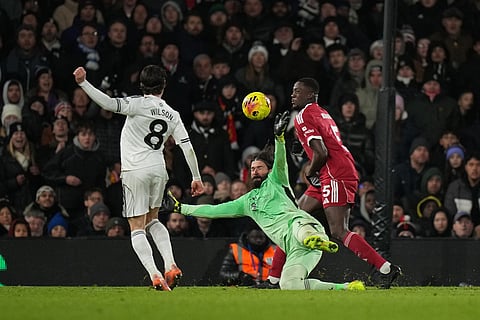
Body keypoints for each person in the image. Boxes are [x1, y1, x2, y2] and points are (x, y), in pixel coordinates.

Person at [164, 111, 365, 291]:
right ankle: (346, 287)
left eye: (259, 168)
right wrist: (181, 207)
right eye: (252, 169)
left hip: (304, 227)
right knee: (289, 284)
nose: (255, 172)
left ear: (268, 171)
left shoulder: (277, 180)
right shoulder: (246, 202)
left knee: (297, 226)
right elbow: (213, 211)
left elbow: (280, 160)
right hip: (295, 248)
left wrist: (279, 137)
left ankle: (313, 238)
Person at [73, 64, 204, 291]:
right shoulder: (172, 114)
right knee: (153, 219)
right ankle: (170, 264)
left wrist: (84, 83)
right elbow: (186, 146)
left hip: (135, 170)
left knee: (136, 227)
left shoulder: (135, 103)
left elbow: (107, 103)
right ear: (164, 86)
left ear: (141, 85)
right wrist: (196, 177)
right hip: (158, 169)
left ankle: (155, 274)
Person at [288, 77, 401, 289]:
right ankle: (275, 278)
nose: (292, 95)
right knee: (294, 217)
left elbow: (321, 152)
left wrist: (308, 170)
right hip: (333, 170)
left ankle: (386, 269)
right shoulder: (322, 112)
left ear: (310, 95)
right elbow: (324, 142)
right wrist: (303, 148)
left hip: (333, 173)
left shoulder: (303, 116)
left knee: (339, 230)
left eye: (297, 91)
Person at [219, 222, 276, 286]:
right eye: (255, 237)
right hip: (244, 286)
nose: (258, 240)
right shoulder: (236, 249)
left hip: (269, 286)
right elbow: (223, 274)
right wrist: (241, 276)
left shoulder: (275, 250)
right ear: (247, 237)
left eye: (261, 237)